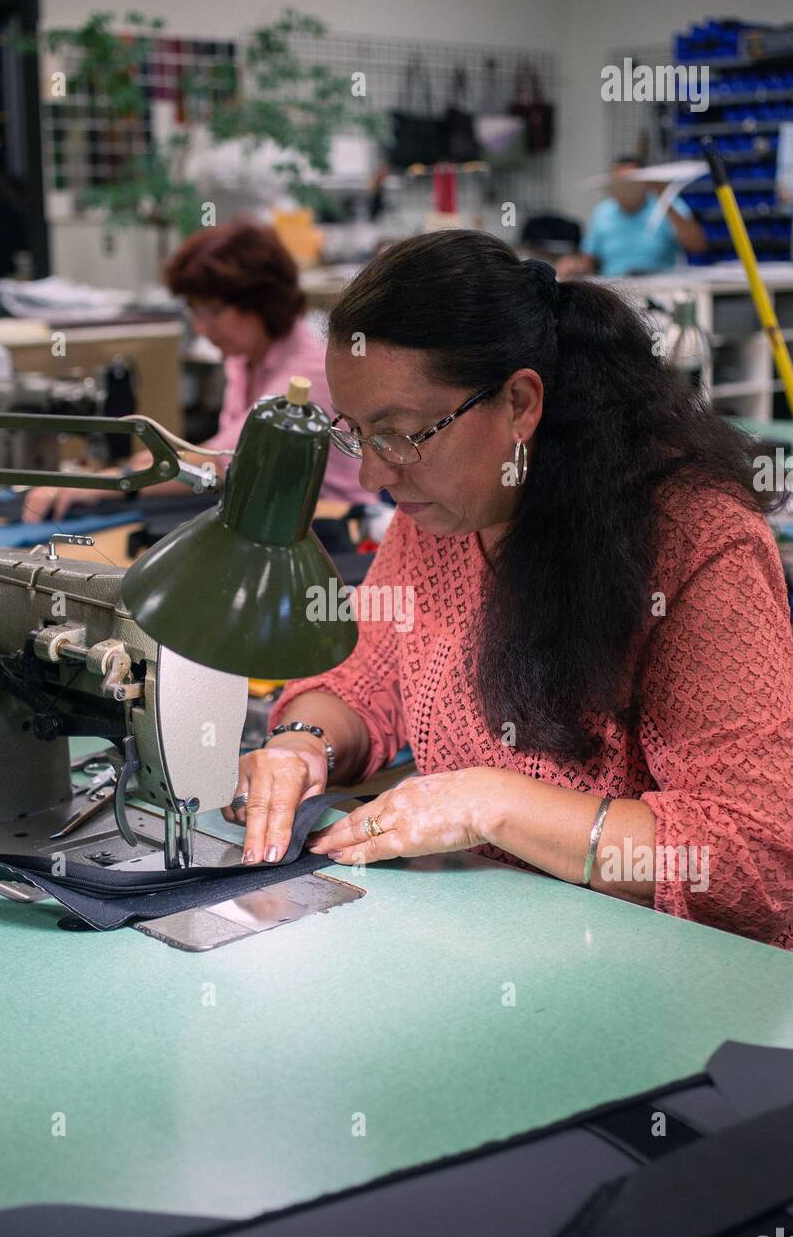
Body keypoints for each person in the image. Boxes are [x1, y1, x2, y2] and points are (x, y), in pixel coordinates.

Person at [224, 229, 793, 949]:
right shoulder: (442, 514)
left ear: (521, 403)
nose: (373, 475)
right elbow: (362, 676)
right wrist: (303, 746)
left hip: (667, 978)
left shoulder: (697, 543)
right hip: (500, 951)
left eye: (399, 433)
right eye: (357, 434)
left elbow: (755, 860)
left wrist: (493, 803)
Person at [22, 219, 368, 522]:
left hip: (333, 530)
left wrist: (106, 484)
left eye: (213, 311)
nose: (201, 328)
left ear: (262, 300)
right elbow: (219, 452)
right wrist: (158, 461)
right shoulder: (243, 360)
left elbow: (223, 465)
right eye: (194, 311)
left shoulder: (308, 375)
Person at [557, 155, 707, 278]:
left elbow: (697, 246)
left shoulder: (667, 204)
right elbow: (588, 261)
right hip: (616, 290)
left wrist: (663, 196)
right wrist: (575, 266)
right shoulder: (602, 212)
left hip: (662, 287)